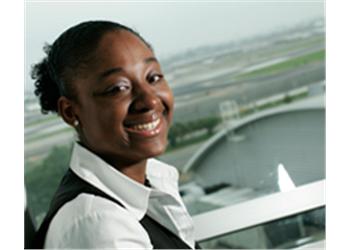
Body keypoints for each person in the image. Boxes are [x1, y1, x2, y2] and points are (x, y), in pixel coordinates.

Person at [31, 20, 198, 249]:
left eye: (153, 77)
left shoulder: (146, 186)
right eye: (118, 88)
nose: (149, 100)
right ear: (70, 111)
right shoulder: (99, 225)